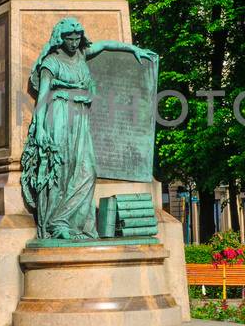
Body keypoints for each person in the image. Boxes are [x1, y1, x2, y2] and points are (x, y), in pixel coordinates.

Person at [21, 19, 156, 241]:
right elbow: (43, 97)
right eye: (69, 38)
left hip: (80, 116)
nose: (74, 42)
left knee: (87, 169)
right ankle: (57, 223)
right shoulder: (51, 64)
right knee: (63, 169)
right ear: (59, 38)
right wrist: (40, 130)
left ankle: (72, 221)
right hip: (60, 114)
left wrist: (133, 49)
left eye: (77, 38)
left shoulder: (82, 55)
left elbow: (105, 46)